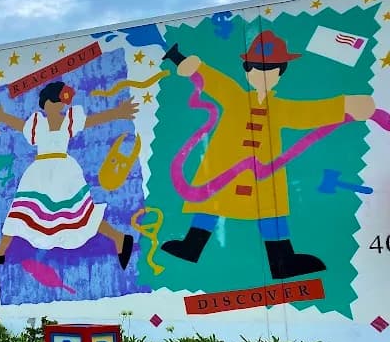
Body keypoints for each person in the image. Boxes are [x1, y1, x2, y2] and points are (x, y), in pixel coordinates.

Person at [161, 31, 375, 279]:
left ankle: (282, 261)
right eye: (255, 68)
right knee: (210, 204)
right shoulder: (236, 97)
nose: (262, 74)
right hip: (225, 169)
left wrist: (345, 105)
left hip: (262, 174)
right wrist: (185, 61)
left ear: (280, 73)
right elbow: (215, 82)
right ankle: (191, 246)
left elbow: (308, 113)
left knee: (270, 211)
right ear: (247, 70)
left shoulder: (279, 108)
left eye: (271, 69)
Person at [0, 81, 138, 268]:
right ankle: (0, 251)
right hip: (39, 173)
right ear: (46, 104)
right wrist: (2, 116)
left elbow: (92, 121)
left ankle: (119, 238)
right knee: (21, 209)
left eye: (61, 103)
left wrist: (118, 112)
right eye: (55, 103)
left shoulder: (69, 120)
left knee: (81, 213)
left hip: (64, 171)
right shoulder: (37, 123)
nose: (59, 107)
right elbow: (20, 125)